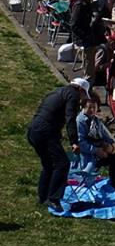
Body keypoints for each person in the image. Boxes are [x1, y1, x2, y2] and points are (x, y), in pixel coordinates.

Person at [26, 78, 89, 211]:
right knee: (62, 163)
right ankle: (53, 198)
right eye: (84, 94)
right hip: (46, 131)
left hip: (34, 129)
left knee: (48, 164)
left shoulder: (58, 91)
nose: (82, 98)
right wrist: (74, 141)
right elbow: (70, 118)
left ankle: (43, 197)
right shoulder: (73, 95)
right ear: (80, 89)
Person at [76, 97, 115, 193]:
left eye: (94, 107)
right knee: (114, 160)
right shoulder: (80, 121)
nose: (92, 110)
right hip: (88, 156)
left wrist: (110, 145)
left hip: (100, 152)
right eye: (89, 107)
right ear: (83, 107)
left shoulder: (96, 120)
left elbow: (105, 135)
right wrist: (97, 150)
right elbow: (81, 143)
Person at [70, 0, 105, 84]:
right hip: (84, 42)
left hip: (89, 40)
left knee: (90, 69)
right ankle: (86, 91)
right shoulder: (80, 5)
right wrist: (85, 37)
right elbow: (74, 25)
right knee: (89, 72)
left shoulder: (88, 4)